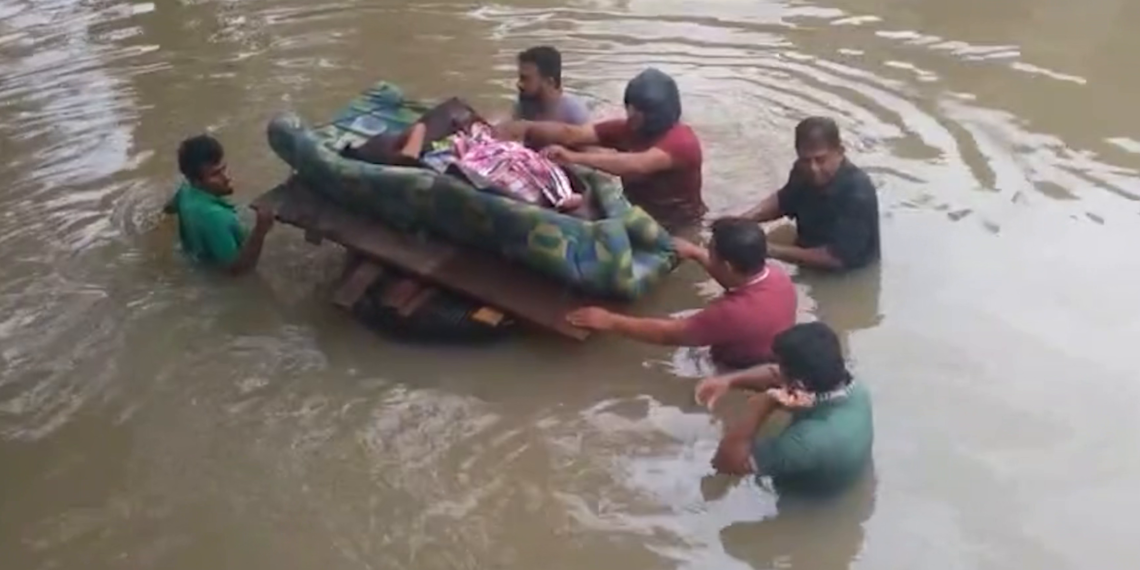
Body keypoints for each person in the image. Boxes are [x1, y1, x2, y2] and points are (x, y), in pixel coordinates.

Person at [567, 217, 796, 369]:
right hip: (771, 355)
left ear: (727, 265)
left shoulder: (730, 314)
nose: (708, 253)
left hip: (738, 369)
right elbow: (735, 280)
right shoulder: (778, 277)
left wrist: (610, 321)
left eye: (711, 251)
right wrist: (696, 253)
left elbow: (669, 334)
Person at [498, 67, 706, 232]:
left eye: (637, 110)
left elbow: (637, 165)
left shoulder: (681, 141)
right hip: (636, 212)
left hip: (678, 225)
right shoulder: (628, 128)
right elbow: (574, 134)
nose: (630, 113)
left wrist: (573, 157)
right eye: (630, 107)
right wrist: (528, 127)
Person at [701, 322, 873, 495]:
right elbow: (778, 374)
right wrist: (728, 381)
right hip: (836, 463)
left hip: (807, 502)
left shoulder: (806, 442)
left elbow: (726, 464)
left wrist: (764, 404)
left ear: (798, 385)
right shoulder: (852, 387)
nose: (774, 370)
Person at [745, 117, 880, 271]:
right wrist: (744, 219)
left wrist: (769, 250)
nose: (813, 168)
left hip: (847, 273)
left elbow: (837, 258)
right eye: (805, 160)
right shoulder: (802, 170)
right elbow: (785, 200)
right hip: (806, 252)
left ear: (840, 152)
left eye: (821, 160)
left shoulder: (857, 193)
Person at [165, 134, 273, 274]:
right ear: (197, 181)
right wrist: (260, 231)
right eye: (215, 174)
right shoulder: (215, 217)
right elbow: (236, 271)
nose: (227, 178)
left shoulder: (185, 190)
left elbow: (168, 209)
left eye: (223, 169)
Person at [512, 46, 590, 125]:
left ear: (549, 82)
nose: (519, 84)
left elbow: (588, 134)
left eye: (526, 79)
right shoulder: (523, 106)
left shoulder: (574, 111)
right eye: (520, 78)